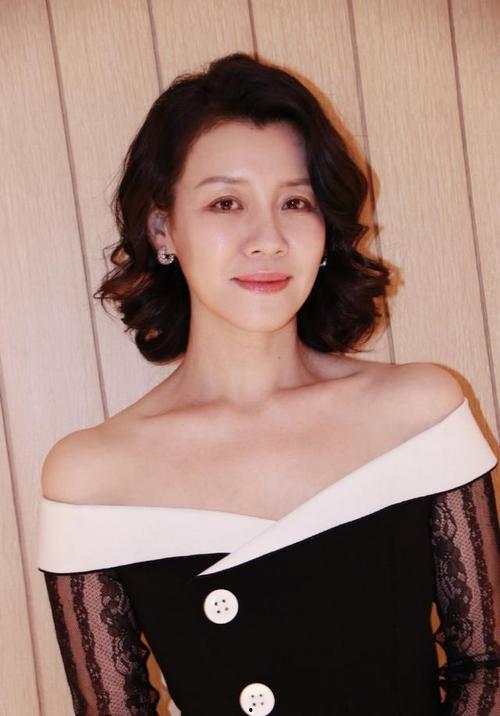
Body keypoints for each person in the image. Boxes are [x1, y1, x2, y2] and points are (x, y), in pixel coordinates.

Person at [37, 52, 499, 715]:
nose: (268, 238)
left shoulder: (420, 411)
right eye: (226, 202)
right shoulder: (90, 474)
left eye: (295, 202)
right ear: (163, 228)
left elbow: (488, 667)